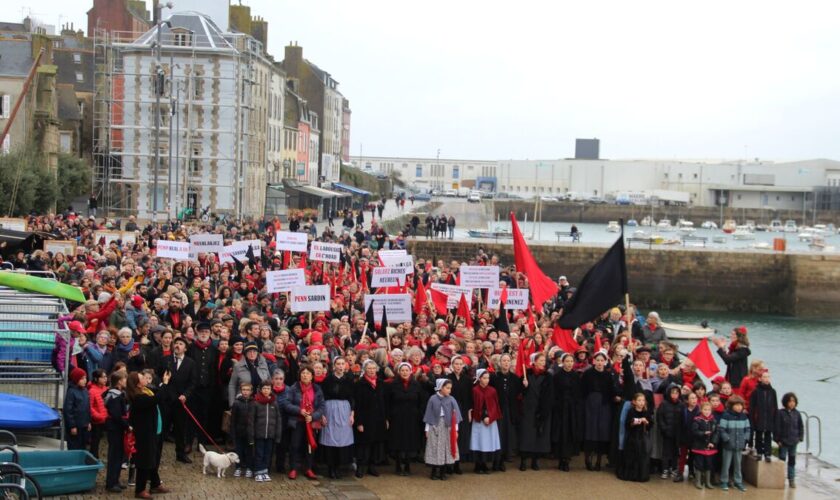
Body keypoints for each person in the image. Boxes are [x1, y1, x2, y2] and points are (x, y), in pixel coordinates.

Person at [127, 370, 171, 499]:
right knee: (145, 461)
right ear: (137, 383)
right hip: (143, 434)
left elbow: (157, 395)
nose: (146, 380)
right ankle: (140, 489)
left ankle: (155, 483)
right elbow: (157, 399)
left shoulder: (145, 391)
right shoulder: (138, 397)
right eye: (142, 378)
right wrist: (165, 383)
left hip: (151, 430)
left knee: (152, 459)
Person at [283, 366, 325, 480]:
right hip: (297, 422)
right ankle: (293, 469)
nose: (305, 375)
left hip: (310, 422)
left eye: (307, 373)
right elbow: (286, 404)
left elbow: (322, 407)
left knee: (309, 446)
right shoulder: (293, 388)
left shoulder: (317, 389)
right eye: (303, 373)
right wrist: (299, 410)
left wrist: (313, 416)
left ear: (312, 376)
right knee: (295, 445)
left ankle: (308, 468)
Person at [386, 362, 424, 476]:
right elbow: (388, 401)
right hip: (397, 417)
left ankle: (407, 465)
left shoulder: (416, 385)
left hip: (412, 417)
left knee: (409, 441)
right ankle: (398, 465)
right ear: (398, 372)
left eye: (407, 370)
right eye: (402, 370)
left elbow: (421, 401)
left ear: (411, 371)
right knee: (398, 440)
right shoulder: (393, 385)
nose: (404, 372)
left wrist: (419, 413)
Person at [161, 336, 196, 463]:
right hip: (166, 400)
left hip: (181, 401)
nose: (177, 345)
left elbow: (192, 383)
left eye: (181, 344)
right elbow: (160, 378)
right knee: (162, 428)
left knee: (180, 429)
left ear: (185, 348)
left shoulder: (190, 363)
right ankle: (156, 453)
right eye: (176, 343)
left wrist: (186, 395)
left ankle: (180, 454)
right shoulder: (166, 360)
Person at [320, 357, 355, 479]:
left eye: (342, 364)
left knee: (342, 438)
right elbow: (322, 397)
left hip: (345, 409)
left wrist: (352, 413)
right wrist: (322, 414)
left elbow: (352, 397)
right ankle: (331, 468)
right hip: (330, 409)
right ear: (334, 365)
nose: (340, 366)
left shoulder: (349, 380)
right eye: (338, 364)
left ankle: (339, 466)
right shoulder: (328, 380)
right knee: (330, 437)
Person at [581, 350, 615, 471]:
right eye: (598, 360)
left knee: (602, 431)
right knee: (590, 429)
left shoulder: (608, 375)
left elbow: (612, 390)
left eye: (602, 360)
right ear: (594, 361)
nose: (600, 363)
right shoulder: (587, 374)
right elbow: (583, 390)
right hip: (590, 404)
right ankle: (587, 458)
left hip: (604, 405)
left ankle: (599, 461)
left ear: (605, 362)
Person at [518, 352, 553, 471]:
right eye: (541, 360)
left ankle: (535, 460)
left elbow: (549, 394)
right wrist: (524, 385)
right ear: (535, 361)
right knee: (526, 435)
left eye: (544, 360)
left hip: (541, 409)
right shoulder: (526, 374)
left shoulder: (548, 376)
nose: (543, 362)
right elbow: (519, 392)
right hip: (528, 409)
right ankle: (523, 460)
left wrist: (545, 409)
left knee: (539, 435)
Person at [353, 359, 387, 478]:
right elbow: (357, 404)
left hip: (378, 418)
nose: (372, 371)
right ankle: (361, 466)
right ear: (365, 370)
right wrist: (359, 422)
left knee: (375, 444)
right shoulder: (360, 384)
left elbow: (385, 402)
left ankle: (372, 466)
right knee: (363, 445)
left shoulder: (381, 383)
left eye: (373, 368)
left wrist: (385, 419)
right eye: (369, 368)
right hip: (365, 419)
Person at [423, 378, 463, 480]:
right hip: (435, 426)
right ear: (441, 388)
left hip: (448, 427)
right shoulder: (432, 399)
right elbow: (429, 414)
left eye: (450, 388)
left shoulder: (451, 399)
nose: (449, 390)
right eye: (447, 388)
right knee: (435, 447)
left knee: (446, 448)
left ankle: (442, 472)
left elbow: (455, 416)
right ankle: (433, 471)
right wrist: (427, 429)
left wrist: (456, 430)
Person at [551, 352, 581, 471]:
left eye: (571, 361)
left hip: (572, 409)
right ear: (562, 362)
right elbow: (554, 392)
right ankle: (560, 458)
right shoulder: (557, 376)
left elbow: (579, 393)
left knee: (570, 432)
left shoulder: (576, 376)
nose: (569, 364)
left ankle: (567, 459)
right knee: (561, 432)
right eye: (567, 361)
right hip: (560, 408)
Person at [248, 380, 283, 482]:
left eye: (268, 388)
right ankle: (258, 471)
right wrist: (251, 435)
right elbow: (251, 421)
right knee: (259, 453)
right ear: (260, 389)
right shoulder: (256, 402)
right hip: (259, 434)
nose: (266, 390)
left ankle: (264, 471)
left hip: (270, 434)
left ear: (271, 390)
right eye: (264, 388)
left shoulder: (274, 403)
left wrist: (278, 435)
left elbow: (278, 420)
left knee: (268, 454)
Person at [470, 369, 502, 474]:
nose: (487, 380)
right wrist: (483, 416)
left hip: (490, 421)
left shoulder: (492, 390)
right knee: (479, 442)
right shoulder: (475, 390)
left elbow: (495, 405)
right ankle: (478, 465)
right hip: (479, 421)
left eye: (488, 378)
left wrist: (490, 416)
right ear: (479, 379)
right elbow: (475, 405)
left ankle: (485, 464)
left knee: (488, 442)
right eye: (484, 378)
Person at [491, 353, 520, 469]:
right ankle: (497, 459)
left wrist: (525, 385)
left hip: (510, 410)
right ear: (500, 362)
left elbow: (519, 393)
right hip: (498, 410)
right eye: (504, 361)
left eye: (508, 361)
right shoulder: (494, 377)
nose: (506, 363)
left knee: (508, 434)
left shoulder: (515, 378)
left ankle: (506, 456)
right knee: (499, 434)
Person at [617, 393, 651, 482]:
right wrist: (636, 421)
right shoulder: (631, 411)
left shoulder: (646, 412)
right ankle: (630, 474)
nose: (641, 402)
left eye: (643, 400)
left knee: (641, 456)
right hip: (632, 437)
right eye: (639, 400)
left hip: (642, 437)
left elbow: (650, 425)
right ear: (634, 402)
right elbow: (628, 424)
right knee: (631, 456)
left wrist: (646, 422)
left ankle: (640, 475)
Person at [718, 395, 750, 492]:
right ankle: (724, 481)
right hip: (728, 444)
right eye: (737, 405)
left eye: (740, 405)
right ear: (731, 405)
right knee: (726, 464)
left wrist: (745, 438)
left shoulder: (744, 416)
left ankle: (738, 481)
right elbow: (721, 429)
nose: (739, 407)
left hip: (739, 444)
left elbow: (748, 429)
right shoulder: (726, 415)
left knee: (738, 464)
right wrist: (726, 438)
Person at [103, 371, 129, 492]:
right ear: (119, 381)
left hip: (117, 428)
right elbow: (116, 415)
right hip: (115, 429)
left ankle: (116, 480)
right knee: (114, 456)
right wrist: (127, 426)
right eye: (124, 379)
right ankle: (111, 482)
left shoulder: (118, 394)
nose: (126, 381)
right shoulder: (115, 396)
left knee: (118, 456)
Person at [447, 355, 473, 473]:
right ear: (452, 365)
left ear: (463, 366)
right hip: (450, 410)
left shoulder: (467, 379)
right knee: (450, 436)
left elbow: (469, 397)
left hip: (462, 410)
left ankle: (457, 464)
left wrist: (468, 411)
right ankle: (449, 463)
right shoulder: (447, 379)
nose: (458, 366)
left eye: (460, 364)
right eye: (456, 364)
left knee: (461, 437)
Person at [775, 392, 804, 489]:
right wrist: (777, 439)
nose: (792, 403)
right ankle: (779, 478)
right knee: (782, 460)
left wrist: (800, 437)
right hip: (783, 441)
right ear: (785, 402)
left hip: (794, 441)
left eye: (793, 401)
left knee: (792, 461)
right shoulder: (780, 413)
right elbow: (777, 427)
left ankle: (791, 479)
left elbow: (801, 426)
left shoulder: (797, 413)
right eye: (790, 401)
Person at [656, 384, 684, 481]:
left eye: (677, 393)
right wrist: (664, 429)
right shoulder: (664, 404)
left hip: (678, 433)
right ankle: (665, 469)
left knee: (676, 452)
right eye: (673, 392)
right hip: (667, 432)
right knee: (666, 452)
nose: (675, 395)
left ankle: (674, 468)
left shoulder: (681, 404)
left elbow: (683, 419)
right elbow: (659, 417)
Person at [749, 370, 777, 462]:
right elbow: (752, 407)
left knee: (768, 435)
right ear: (760, 379)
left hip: (769, 417)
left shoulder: (772, 391)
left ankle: (768, 453)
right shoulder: (756, 391)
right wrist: (752, 419)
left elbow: (775, 406)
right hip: (759, 417)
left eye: (768, 377)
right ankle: (759, 452)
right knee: (759, 435)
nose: (766, 379)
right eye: (764, 377)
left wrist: (775, 417)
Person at [691, 401, 719, 490]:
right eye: (705, 409)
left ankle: (708, 482)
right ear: (701, 410)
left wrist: (713, 442)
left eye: (709, 410)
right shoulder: (697, 420)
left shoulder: (713, 421)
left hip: (710, 447)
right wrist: (703, 433)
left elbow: (716, 433)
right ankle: (698, 481)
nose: (707, 411)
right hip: (699, 446)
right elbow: (694, 431)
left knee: (709, 464)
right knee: (699, 464)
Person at [230, 383, 254, 479]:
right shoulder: (236, 403)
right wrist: (232, 433)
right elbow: (233, 420)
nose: (245, 392)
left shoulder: (254, 403)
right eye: (244, 389)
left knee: (249, 451)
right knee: (238, 451)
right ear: (241, 390)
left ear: (251, 391)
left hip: (249, 432)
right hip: (239, 431)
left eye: (248, 390)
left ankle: (249, 468)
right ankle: (238, 467)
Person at [64, 367, 91, 450]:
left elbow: (87, 408)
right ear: (76, 379)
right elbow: (68, 410)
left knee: (83, 446)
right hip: (76, 426)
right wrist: (72, 426)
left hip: (84, 425)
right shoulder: (71, 392)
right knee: (74, 446)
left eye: (85, 378)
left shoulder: (85, 390)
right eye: (82, 378)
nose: (85, 380)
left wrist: (88, 422)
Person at [88, 369, 109, 459]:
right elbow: (90, 406)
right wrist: (97, 416)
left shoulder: (106, 389)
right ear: (96, 379)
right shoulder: (92, 390)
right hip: (97, 421)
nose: (105, 379)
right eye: (103, 377)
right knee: (95, 441)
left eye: (106, 377)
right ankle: (94, 457)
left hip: (106, 418)